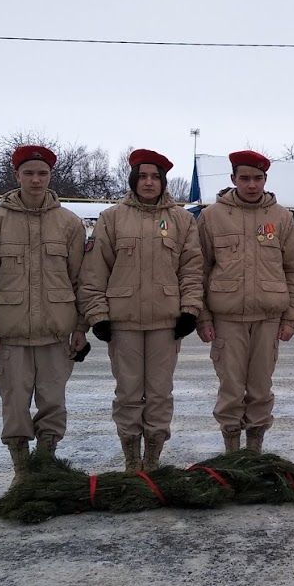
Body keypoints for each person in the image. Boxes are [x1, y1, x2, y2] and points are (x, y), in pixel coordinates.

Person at [0, 145, 89, 487]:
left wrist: (81, 326)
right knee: (15, 404)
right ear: (17, 176)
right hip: (11, 333)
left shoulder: (69, 223)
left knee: (53, 402)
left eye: (42, 174)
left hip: (56, 332)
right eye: (29, 173)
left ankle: (46, 464)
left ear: (50, 176)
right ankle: (22, 472)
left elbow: (81, 279)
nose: (36, 180)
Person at [79, 149, 203, 471]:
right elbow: (94, 272)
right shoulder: (112, 218)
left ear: (163, 182)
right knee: (128, 394)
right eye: (143, 176)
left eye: (155, 177)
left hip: (166, 322)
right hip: (123, 323)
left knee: (160, 394)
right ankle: (132, 460)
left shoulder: (182, 220)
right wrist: (98, 315)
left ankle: (152, 459)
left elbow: (191, 270)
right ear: (134, 179)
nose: (149, 182)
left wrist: (189, 310)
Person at [196, 150, 294, 454]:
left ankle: (254, 451)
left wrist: (291, 317)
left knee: (260, 389)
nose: (251, 184)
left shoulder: (280, 217)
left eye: (257, 178)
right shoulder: (213, 216)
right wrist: (202, 317)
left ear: (265, 180)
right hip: (226, 318)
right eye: (245, 178)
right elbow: (200, 268)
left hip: (268, 318)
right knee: (231, 389)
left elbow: (293, 268)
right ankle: (232, 451)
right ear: (233, 180)